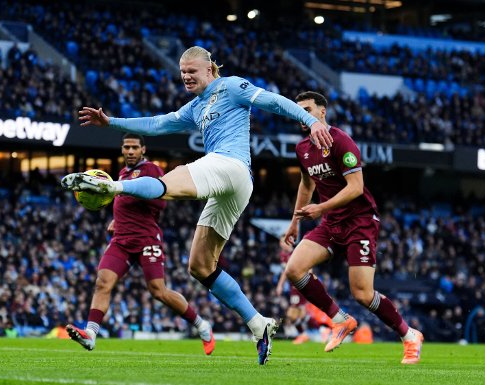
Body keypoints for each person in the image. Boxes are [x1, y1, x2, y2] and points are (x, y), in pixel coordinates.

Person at [62, 46, 332, 365]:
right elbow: (158, 123)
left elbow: (272, 100)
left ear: (209, 70)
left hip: (229, 165)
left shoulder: (231, 86)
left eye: (192, 71)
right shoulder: (196, 106)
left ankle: (113, 186)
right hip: (232, 186)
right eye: (183, 73)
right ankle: (259, 325)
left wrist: (308, 121)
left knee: (171, 179)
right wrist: (112, 123)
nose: (187, 77)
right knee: (200, 266)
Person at [281, 91, 424, 364]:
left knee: (362, 293)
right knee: (294, 269)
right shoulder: (303, 149)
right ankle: (339, 320)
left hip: (359, 222)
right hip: (331, 223)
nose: (302, 115)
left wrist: (320, 208)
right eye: (297, 111)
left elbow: (356, 187)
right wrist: (294, 222)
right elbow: (306, 185)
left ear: (322, 112)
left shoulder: (341, 141)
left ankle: (409, 335)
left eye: (307, 109)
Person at [66, 133, 215, 355]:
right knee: (102, 283)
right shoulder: (121, 174)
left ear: (143, 150)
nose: (130, 151)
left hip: (146, 238)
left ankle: (201, 325)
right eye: (126, 147)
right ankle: (90, 334)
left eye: (135, 147)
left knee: (158, 291)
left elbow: (161, 202)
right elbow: (125, 201)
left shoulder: (151, 170)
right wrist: (117, 218)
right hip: (121, 240)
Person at [275, 242, 311, 344]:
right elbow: (285, 272)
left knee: (292, 314)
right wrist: (280, 285)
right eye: (281, 242)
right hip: (293, 287)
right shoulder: (283, 255)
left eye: (283, 241)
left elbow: (308, 265)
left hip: (298, 285)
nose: (281, 244)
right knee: (301, 312)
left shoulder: (296, 254)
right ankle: (308, 332)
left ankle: (305, 334)